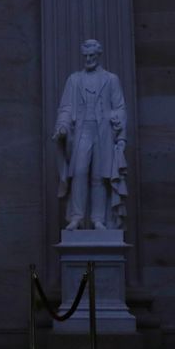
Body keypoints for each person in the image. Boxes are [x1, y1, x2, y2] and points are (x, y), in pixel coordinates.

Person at [53, 39, 128, 231]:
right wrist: (62, 126)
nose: (88, 59)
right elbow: (66, 107)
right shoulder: (74, 80)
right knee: (78, 172)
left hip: (102, 131)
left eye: (91, 55)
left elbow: (119, 107)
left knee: (99, 176)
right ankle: (77, 217)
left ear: (98, 55)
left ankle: (98, 219)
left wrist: (117, 122)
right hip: (81, 130)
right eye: (85, 56)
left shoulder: (111, 79)